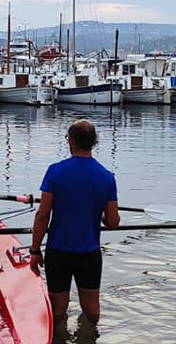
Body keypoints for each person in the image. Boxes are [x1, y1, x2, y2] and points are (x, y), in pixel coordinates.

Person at [29, 119, 120, 325]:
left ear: (71, 141)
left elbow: (43, 215)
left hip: (58, 250)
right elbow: (113, 222)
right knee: (91, 308)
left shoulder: (55, 171)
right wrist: (97, 212)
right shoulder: (106, 177)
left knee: (58, 310)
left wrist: (35, 250)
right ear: (93, 142)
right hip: (89, 252)